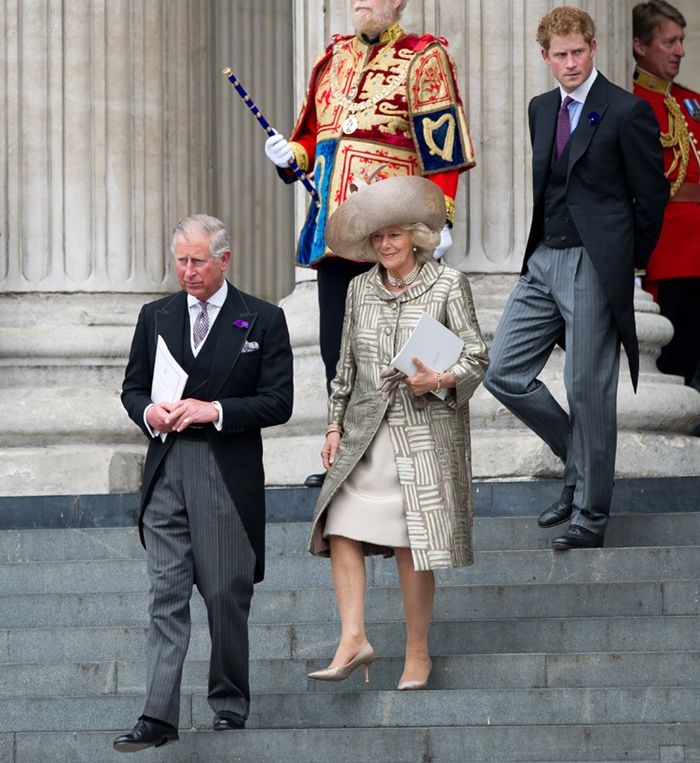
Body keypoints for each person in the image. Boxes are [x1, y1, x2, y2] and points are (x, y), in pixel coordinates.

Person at [264, 0, 475, 486]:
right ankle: (349, 455)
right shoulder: (332, 58)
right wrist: (287, 152)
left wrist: (439, 222)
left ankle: (398, 459)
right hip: (335, 230)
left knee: (397, 349)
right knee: (339, 349)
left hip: (395, 231)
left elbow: (440, 148)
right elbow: (315, 139)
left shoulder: (424, 57)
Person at [483, 6, 668, 550]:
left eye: (578, 52)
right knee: (503, 371)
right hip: (542, 256)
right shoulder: (541, 108)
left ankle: (590, 510)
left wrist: (622, 258)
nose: (570, 63)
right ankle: (579, 462)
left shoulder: (625, 110)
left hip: (594, 259)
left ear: (593, 49)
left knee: (586, 388)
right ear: (545, 57)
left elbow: (651, 197)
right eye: (559, 55)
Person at [114, 214, 293, 752]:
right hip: (166, 469)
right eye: (181, 261)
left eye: (198, 261)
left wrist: (213, 408)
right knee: (165, 594)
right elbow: (131, 389)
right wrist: (151, 412)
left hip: (223, 468)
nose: (188, 271)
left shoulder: (260, 319)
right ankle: (158, 715)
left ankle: (229, 701)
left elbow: (279, 403)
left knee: (223, 594)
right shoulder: (156, 315)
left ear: (224, 260)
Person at [306, 175, 488, 691]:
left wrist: (440, 379)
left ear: (416, 236)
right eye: (377, 238)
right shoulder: (359, 288)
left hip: (423, 433)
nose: (385, 245)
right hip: (365, 433)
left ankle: (417, 652)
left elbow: (477, 356)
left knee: (412, 544)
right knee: (337, 525)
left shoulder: (448, 285)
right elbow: (345, 367)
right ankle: (353, 639)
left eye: (395, 236)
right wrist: (334, 423)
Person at [632, 0, 700, 391]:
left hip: (695, 246)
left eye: (681, 41)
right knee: (671, 355)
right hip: (667, 249)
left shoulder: (690, 101)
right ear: (640, 45)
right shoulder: (632, 100)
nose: (680, 51)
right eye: (670, 42)